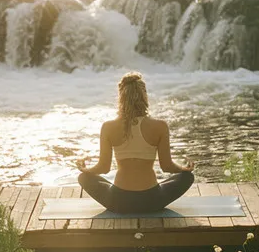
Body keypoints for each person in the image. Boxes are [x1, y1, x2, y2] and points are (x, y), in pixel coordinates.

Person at [77, 72, 195, 214]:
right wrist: (184, 169)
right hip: (153, 200)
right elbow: (167, 166)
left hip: (118, 201)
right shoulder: (160, 126)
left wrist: (85, 170)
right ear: (144, 96)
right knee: (188, 177)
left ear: (121, 97)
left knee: (83, 178)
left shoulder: (108, 127)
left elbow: (103, 168)